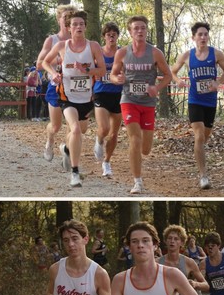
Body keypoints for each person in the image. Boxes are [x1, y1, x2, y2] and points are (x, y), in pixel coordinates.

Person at [41, 10, 106, 187]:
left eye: (81, 24)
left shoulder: (93, 46)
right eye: (74, 24)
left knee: (81, 131)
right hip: (66, 98)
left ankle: (66, 149)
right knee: (75, 129)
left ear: (85, 27)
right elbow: (45, 62)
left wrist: (87, 71)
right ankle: (75, 173)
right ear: (69, 28)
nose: (78, 27)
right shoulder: (62, 46)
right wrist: (54, 73)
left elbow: (102, 71)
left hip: (86, 98)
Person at [109, 15, 173, 195]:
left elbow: (167, 75)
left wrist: (157, 88)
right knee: (134, 139)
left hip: (148, 103)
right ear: (130, 32)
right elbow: (113, 75)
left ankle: (139, 163)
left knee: (146, 149)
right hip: (129, 100)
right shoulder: (122, 53)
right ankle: (137, 182)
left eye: (143, 28)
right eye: (136, 28)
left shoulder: (155, 53)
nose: (140, 31)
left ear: (146, 31)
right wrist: (117, 78)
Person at [169, 22, 224, 190]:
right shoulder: (187, 56)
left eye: (205, 34)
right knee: (199, 136)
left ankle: (199, 155)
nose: (203, 37)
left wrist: (217, 82)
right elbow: (172, 72)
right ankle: (203, 175)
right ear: (194, 37)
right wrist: (178, 81)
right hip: (194, 100)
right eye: (200, 34)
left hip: (210, 102)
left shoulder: (216, 54)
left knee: (204, 138)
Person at [37, 4, 77, 162]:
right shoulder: (52, 40)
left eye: (71, 18)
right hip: (56, 86)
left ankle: (67, 151)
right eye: (64, 18)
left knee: (73, 124)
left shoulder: (79, 40)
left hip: (74, 87)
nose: (68, 21)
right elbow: (39, 63)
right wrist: (60, 59)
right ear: (59, 20)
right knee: (56, 126)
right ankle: (50, 140)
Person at [93, 22, 124, 178]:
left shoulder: (122, 53)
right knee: (104, 128)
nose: (111, 36)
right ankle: (98, 140)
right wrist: (94, 74)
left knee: (113, 134)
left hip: (118, 95)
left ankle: (107, 162)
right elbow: (89, 69)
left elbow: (129, 71)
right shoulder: (98, 53)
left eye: (114, 33)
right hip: (101, 92)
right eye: (108, 34)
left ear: (117, 36)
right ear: (104, 36)